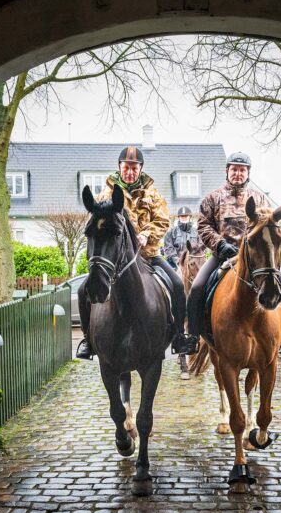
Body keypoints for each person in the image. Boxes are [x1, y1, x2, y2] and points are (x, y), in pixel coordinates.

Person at [76, 146, 199, 359]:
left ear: (140, 168)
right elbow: (97, 222)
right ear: (119, 167)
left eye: (134, 168)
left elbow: (162, 221)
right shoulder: (106, 193)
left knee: (177, 285)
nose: (130, 172)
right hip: (117, 259)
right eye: (126, 167)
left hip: (149, 255)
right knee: (81, 291)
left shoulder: (153, 193)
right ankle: (89, 340)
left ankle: (179, 335)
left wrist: (146, 234)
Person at [186, 151, 281, 357]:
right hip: (223, 255)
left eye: (242, 170)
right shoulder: (212, 198)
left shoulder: (260, 198)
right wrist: (220, 244)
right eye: (234, 169)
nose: (238, 173)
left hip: (256, 259)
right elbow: (204, 226)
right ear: (227, 171)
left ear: (248, 173)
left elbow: (270, 229)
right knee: (197, 288)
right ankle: (192, 337)